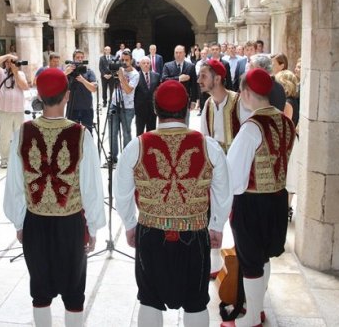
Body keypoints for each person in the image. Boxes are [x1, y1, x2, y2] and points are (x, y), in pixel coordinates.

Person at [114, 80, 232, 327]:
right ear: (188, 108)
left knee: (149, 299)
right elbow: (223, 192)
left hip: (150, 233)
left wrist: (130, 224)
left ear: (155, 109)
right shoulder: (208, 146)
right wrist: (217, 226)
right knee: (196, 301)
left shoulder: (137, 145)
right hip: (195, 234)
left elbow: (122, 192)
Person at [4, 68, 105, 327]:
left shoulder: (22, 133)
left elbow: (14, 185)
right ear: (67, 95)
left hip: (35, 222)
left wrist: (19, 222)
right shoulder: (81, 134)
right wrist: (93, 227)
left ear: (39, 96)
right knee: (74, 292)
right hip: (70, 223)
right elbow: (91, 188)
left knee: (40, 290)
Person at [221, 68, 296, 327]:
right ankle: (257, 308)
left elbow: (234, 174)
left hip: (252, 203)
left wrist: (226, 203)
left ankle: (251, 318)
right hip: (278, 199)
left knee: (251, 260)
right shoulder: (286, 122)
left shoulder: (252, 127)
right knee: (263, 257)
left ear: (246, 93)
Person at [197, 59, 250, 278]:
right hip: (215, 171)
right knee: (213, 215)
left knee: (238, 219)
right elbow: (204, 138)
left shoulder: (239, 103)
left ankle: (243, 265)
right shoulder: (208, 105)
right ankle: (213, 263)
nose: (199, 80)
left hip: (238, 172)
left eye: (203, 76)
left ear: (217, 78)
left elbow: (248, 137)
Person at [0, 53, 30, 169]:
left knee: (20, 135)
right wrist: (7, 56)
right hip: (5, 110)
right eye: (9, 62)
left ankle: (20, 158)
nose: (11, 63)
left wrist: (15, 72)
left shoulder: (20, 74)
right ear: (5, 63)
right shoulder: (0, 73)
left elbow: (25, 87)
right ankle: (5, 159)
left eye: (13, 61)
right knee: (5, 136)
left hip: (18, 110)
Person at [275, 69, 300, 220]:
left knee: (288, 175)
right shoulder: (292, 101)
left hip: (288, 142)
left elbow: (285, 125)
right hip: (290, 141)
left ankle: (286, 208)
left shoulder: (288, 103)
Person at [109, 50, 139, 164]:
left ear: (131, 60)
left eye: (127, 60)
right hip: (114, 103)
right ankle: (113, 157)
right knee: (112, 132)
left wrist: (121, 77)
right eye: (122, 60)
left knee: (126, 133)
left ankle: (127, 158)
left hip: (127, 107)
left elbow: (128, 90)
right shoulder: (119, 69)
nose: (124, 62)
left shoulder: (135, 74)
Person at [161, 45, 199, 123]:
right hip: (171, 99)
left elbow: (194, 85)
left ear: (185, 54)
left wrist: (193, 100)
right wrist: (178, 78)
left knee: (185, 122)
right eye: (176, 53)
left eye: (180, 53)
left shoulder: (191, 66)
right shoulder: (167, 66)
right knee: (172, 122)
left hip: (185, 100)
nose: (178, 55)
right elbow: (164, 80)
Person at [64, 49, 97, 133]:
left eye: (82, 57)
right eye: (77, 57)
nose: (80, 59)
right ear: (73, 59)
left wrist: (83, 80)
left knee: (88, 133)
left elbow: (94, 89)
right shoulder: (68, 72)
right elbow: (58, 85)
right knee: (72, 134)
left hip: (87, 108)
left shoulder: (89, 72)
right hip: (72, 108)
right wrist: (65, 73)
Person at [134, 56, 160, 134]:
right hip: (140, 110)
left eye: (148, 63)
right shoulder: (136, 76)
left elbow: (158, 92)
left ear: (150, 64)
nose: (146, 65)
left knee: (151, 134)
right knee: (139, 133)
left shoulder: (156, 76)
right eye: (144, 63)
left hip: (152, 111)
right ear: (140, 64)